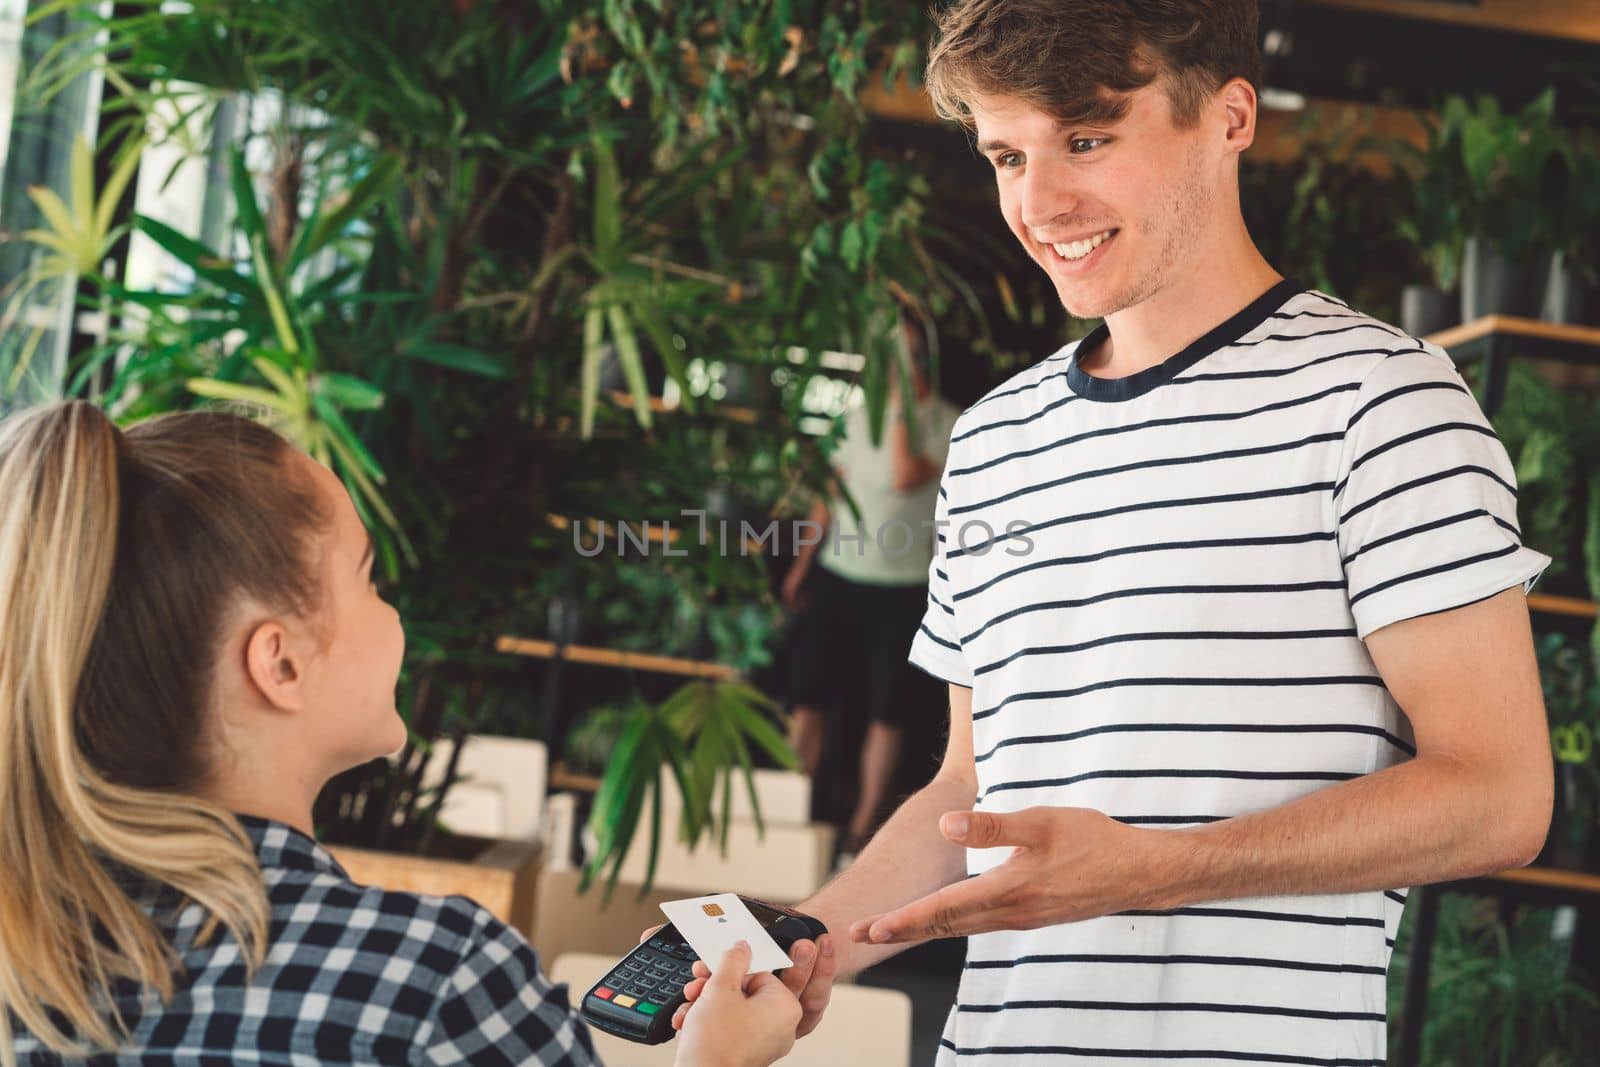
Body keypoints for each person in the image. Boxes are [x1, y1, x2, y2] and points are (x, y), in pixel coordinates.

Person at [680, 1, 1557, 1063]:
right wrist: (806, 942)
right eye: (1006, 153)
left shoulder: (1380, 402)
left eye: (1087, 138)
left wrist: (1154, 865)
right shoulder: (996, 436)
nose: (1039, 201)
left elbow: (1500, 796)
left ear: (1230, 117)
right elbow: (969, 789)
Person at [0, 401, 802, 1067]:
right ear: (279, 664)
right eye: (368, 576)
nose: (393, 614)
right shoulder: (432, 982)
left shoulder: (37, 972)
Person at [782, 310, 961, 858]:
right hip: (840, 577)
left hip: (903, 590)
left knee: (888, 712)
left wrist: (902, 405)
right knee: (807, 700)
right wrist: (801, 566)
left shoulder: (948, 422)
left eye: (906, 354)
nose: (897, 365)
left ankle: (861, 832)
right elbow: (827, 494)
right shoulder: (854, 420)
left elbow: (904, 473)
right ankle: (789, 815)